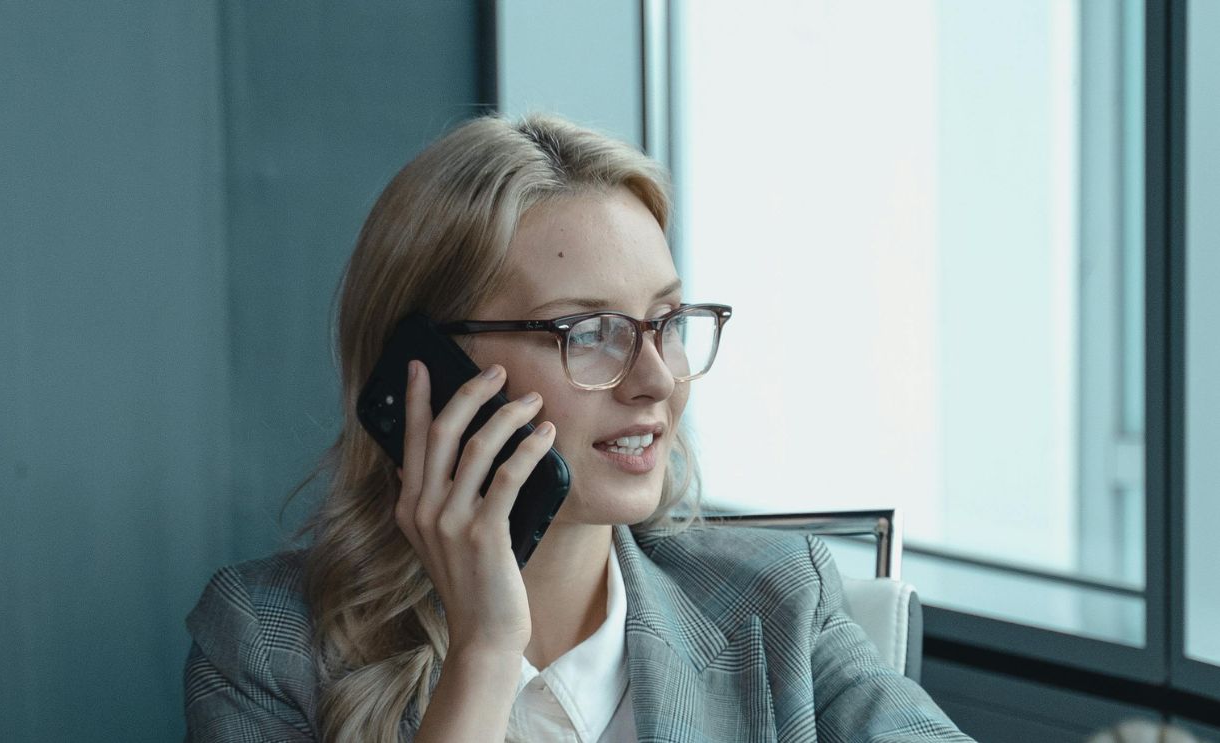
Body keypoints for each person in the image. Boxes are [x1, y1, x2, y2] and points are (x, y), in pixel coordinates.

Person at [183, 113, 974, 742]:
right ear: (429, 370)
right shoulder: (266, 645)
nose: (656, 378)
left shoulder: (776, 605)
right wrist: (484, 652)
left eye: (665, 321)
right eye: (589, 332)